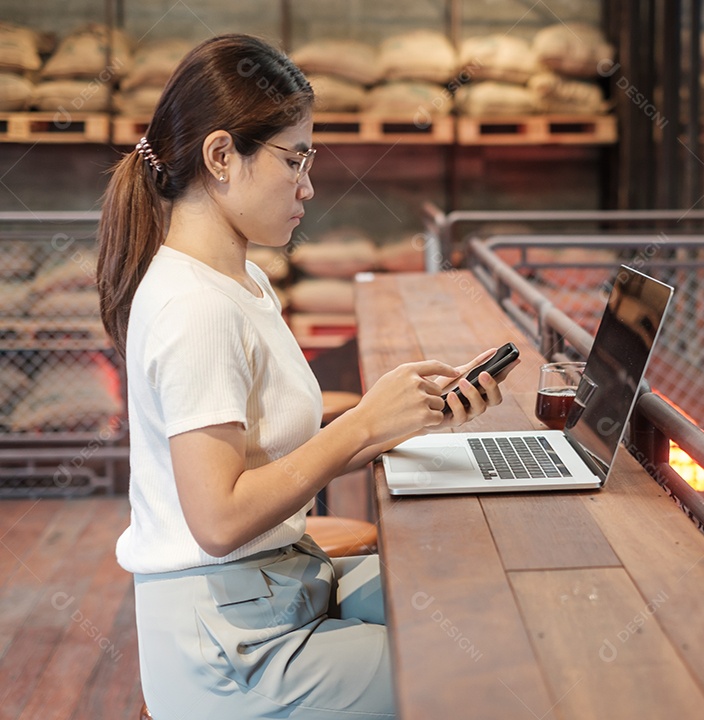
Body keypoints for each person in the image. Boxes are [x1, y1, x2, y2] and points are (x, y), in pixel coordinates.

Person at [96, 34, 512, 719]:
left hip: (279, 588)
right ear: (222, 156)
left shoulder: (240, 280)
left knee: (476, 601)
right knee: (484, 669)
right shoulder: (193, 308)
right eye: (295, 160)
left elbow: (269, 447)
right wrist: (362, 425)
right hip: (235, 648)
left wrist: (407, 415)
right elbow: (218, 520)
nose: (308, 186)